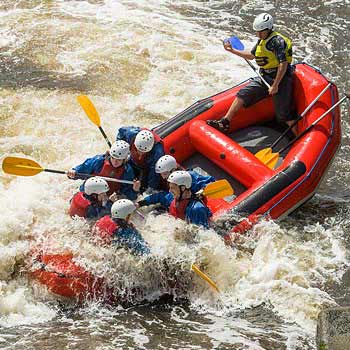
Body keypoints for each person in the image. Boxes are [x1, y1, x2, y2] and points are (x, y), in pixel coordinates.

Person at [207, 13, 296, 134]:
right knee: (242, 94)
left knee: (283, 115)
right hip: (265, 76)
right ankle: (224, 122)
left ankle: (299, 136)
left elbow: (283, 64)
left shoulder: (277, 42)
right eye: (257, 31)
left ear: (268, 29)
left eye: (261, 32)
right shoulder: (262, 40)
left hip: (281, 79)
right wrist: (232, 50)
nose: (258, 34)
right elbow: (251, 55)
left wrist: (275, 85)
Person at [67, 140, 140, 200]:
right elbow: (80, 171)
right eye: (113, 158)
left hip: (107, 199)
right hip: (89, 193)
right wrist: (73, 173)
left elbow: (130, 196)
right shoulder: (98, 161)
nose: (115, 162)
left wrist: (135, 190)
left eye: (119, 160)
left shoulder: (127, 171)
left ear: (124, 160)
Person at [137, 155, 215, 210]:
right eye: (161, 174)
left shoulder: (191, 176)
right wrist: (141, 203)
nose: (163, 177)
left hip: (194, 204)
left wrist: (201, 191)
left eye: (164, 174)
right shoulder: (172, 187)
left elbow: (210, 182)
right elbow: (162, 196)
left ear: (173, 170)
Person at [116, 126, 164, 192]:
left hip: (145, 167)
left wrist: (150, 188)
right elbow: (120, 132)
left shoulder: (158, 151)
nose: (140, 154)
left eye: (143, 152)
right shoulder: (131, 133)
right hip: (132, 159)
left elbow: (154, 172)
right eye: (138, 150)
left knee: (142, 187)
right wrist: (119, 150)